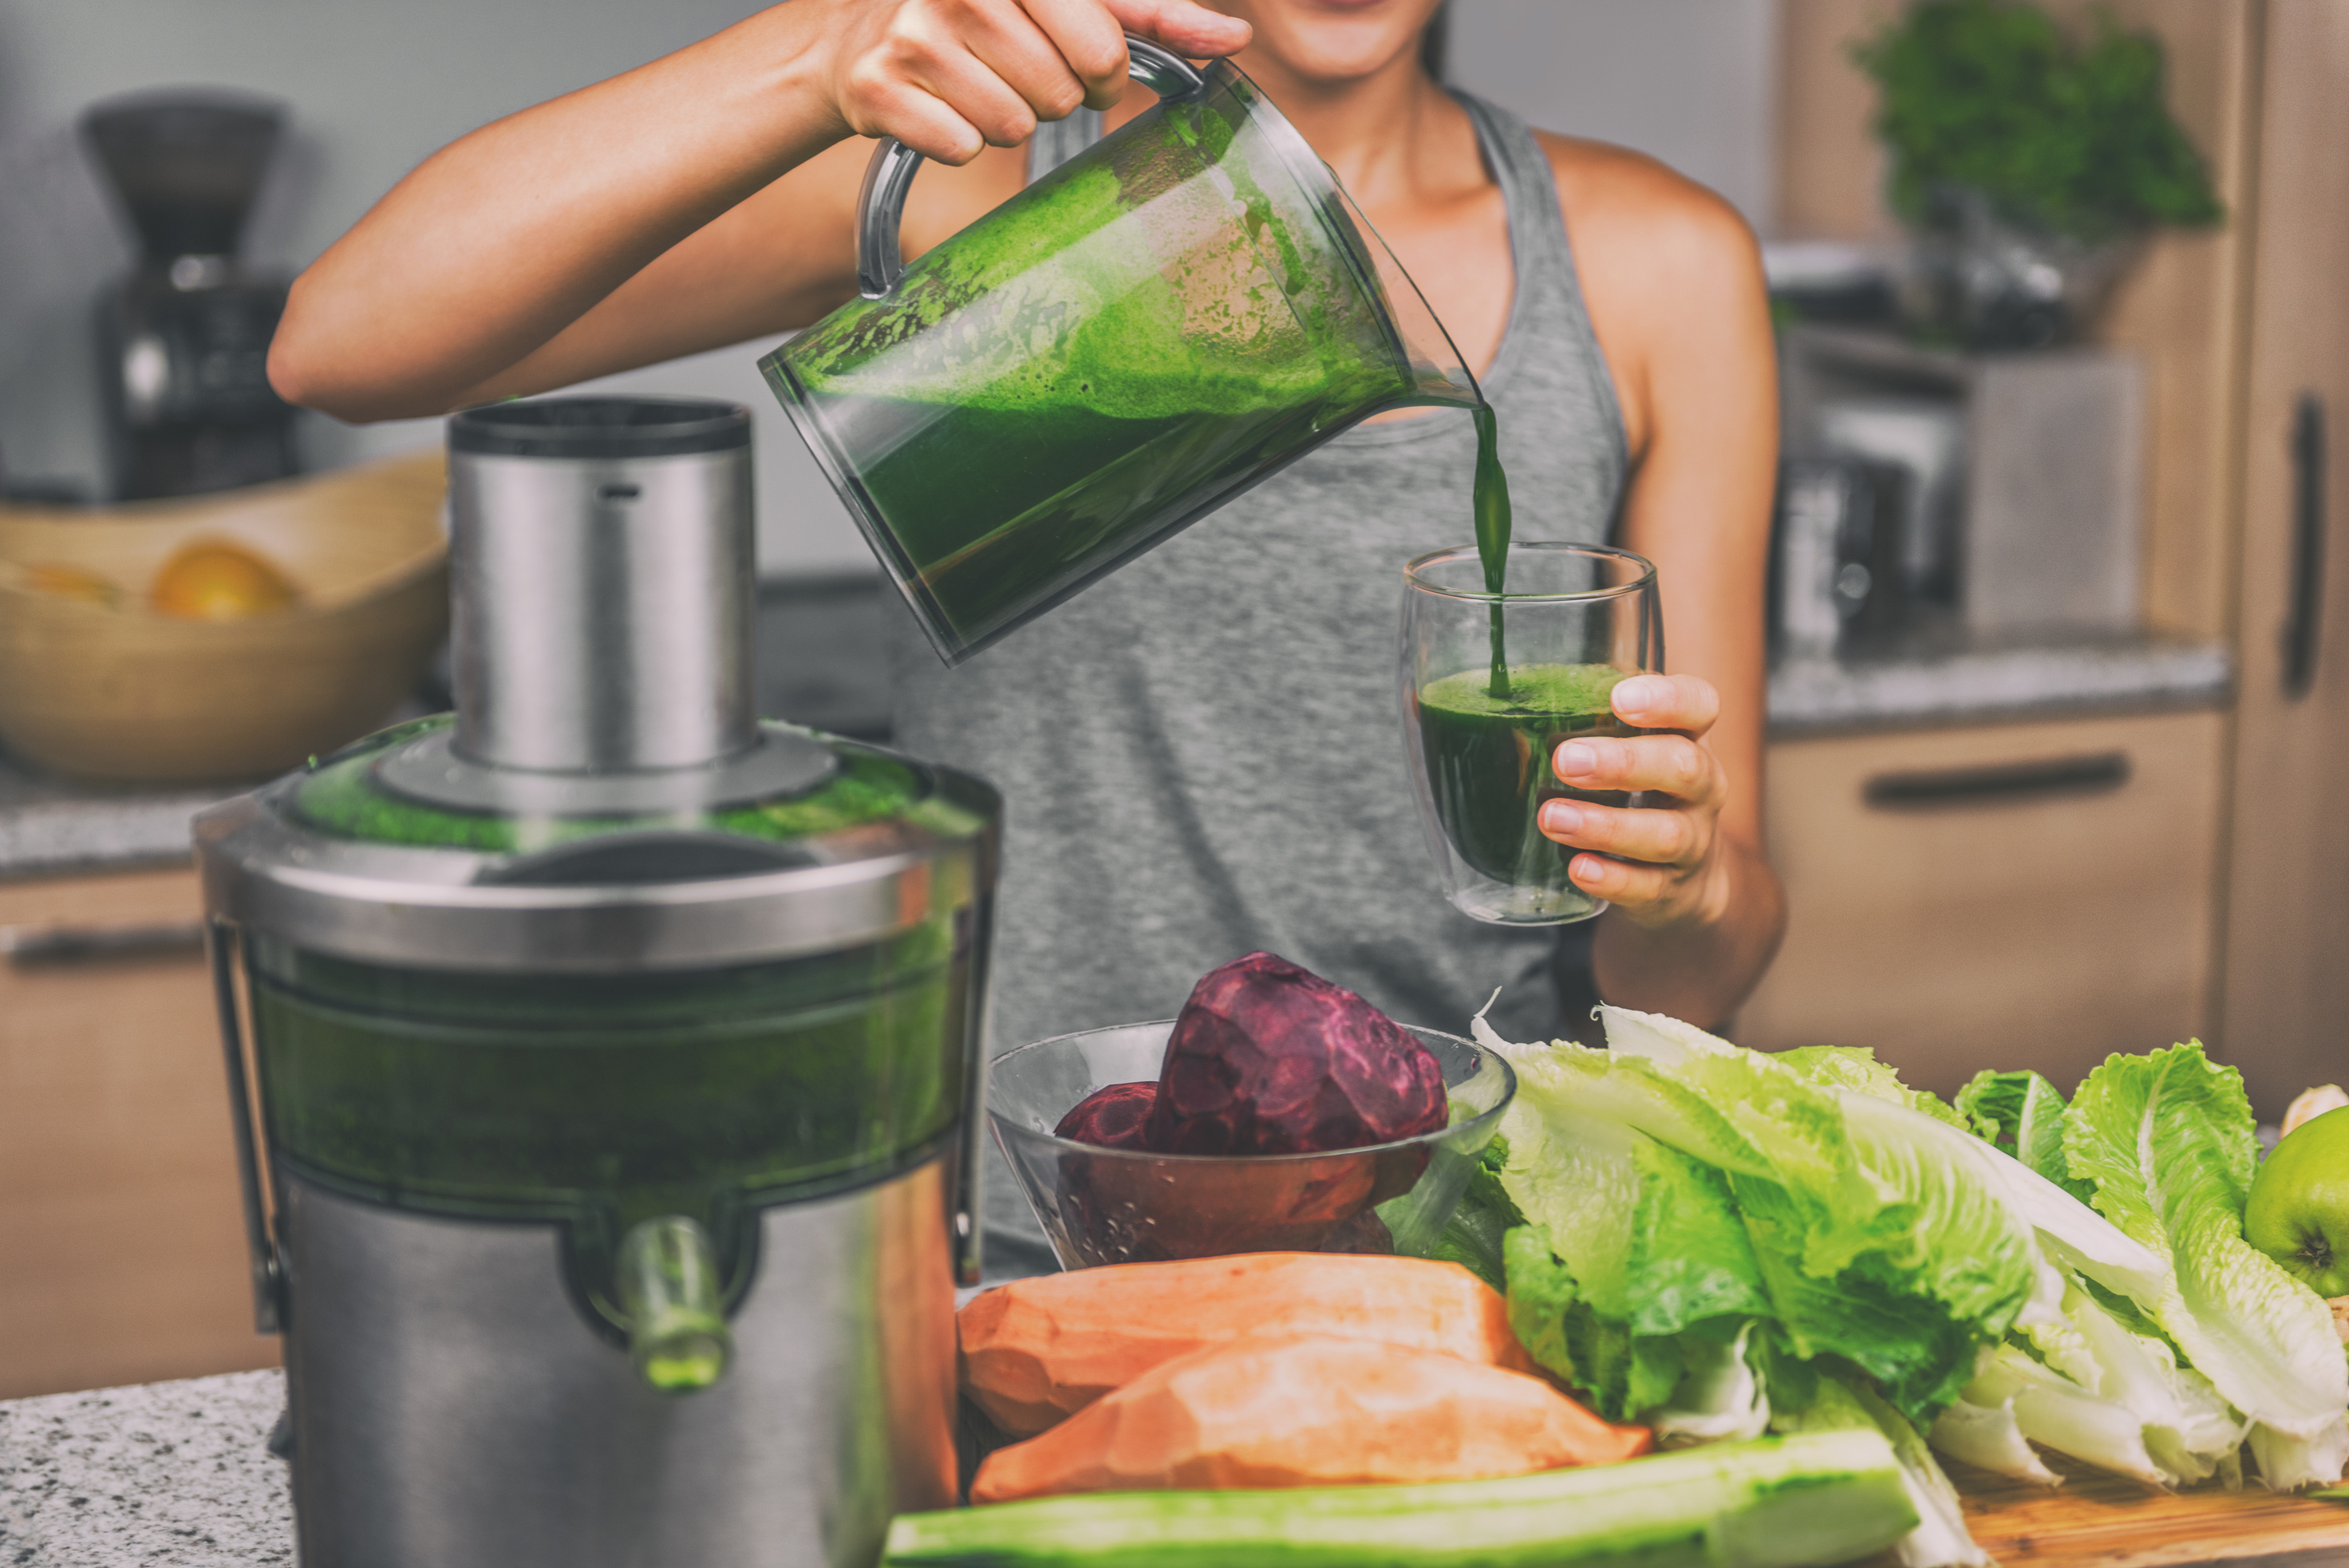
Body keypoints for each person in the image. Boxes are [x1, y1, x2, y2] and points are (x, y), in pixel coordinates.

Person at [269, 0, 1787, 1278]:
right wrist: (823, 50)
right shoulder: (968, 190)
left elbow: (1702, 975)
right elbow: (344, 342)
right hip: (1019, 1235)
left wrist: (1689, 873)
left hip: (1468, 1239)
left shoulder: (1655, 266)